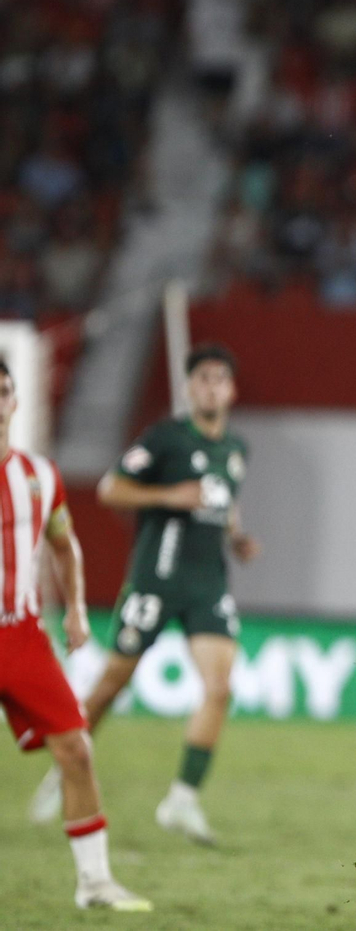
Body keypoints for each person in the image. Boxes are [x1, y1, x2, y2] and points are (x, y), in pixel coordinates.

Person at [34, 344, 260, 845]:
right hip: (157, 578)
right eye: (201, 378)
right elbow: (112, 488)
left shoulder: (236, 450)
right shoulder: (164, 439)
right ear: (189, 388)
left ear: (232, 390)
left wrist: (236, 537)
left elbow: (224, 503)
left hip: (208, 584)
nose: (211, 387)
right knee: (112, 684)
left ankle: (181, 801)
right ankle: (65, 770)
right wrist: (166, 495)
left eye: (219, 379)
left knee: (220, 688)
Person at [0, 360, 150, 911]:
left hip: (22, 636)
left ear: (16, 402)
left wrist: (77, 611)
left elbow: (64, 544)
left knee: (77, 748)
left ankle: (94, 884)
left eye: (3, 392)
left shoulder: (40, 475)